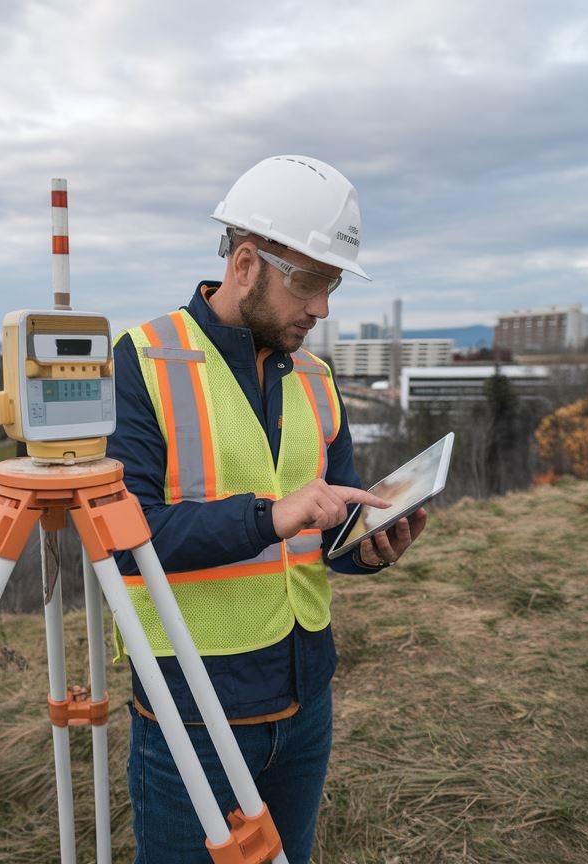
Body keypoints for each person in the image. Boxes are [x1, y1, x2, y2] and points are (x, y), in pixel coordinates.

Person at [106, 154, 428, 863]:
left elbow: (326, 521)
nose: (322, 308)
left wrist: (367, 547)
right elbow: (125, 540)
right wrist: (271, 515)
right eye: (309, 284)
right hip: (192, 710)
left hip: (305, 694)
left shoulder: (315, 376)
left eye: (331, 285)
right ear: (246, 264)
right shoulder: (143, 360)